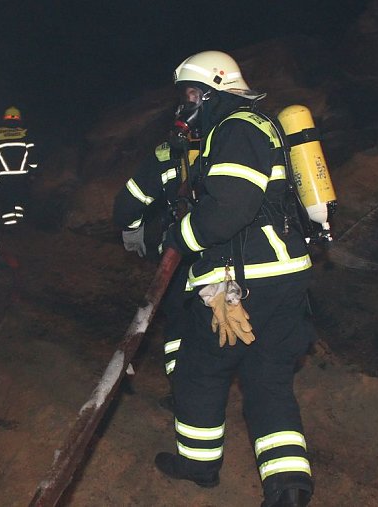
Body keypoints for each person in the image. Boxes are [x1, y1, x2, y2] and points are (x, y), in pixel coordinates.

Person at [152, 51, 316, 507]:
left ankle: (199, 465)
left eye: (189, 93)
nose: (185, 104)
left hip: (246, 281)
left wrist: (179, 237)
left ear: (212, 90)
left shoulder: (236, 129)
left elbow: (227, 211)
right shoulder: (254, 126)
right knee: (268, 382)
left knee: (199, 373)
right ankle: (289, 490)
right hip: (281, 278)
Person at [113, 104, 203, 407]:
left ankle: (183, 392)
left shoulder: (168, 153)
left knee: (179, 319)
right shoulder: (235, 140)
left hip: (180, 253)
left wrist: (132, 230)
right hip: (234, 255)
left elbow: (129, 202)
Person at [0, 106, 37, 226]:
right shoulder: (25, 133)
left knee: (6, 200)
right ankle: (20, 225)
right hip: (22, 175)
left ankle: (10, 226)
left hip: (3, 175)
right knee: (20, 198)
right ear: (19, 118)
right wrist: (33, 171)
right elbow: (32, 154)